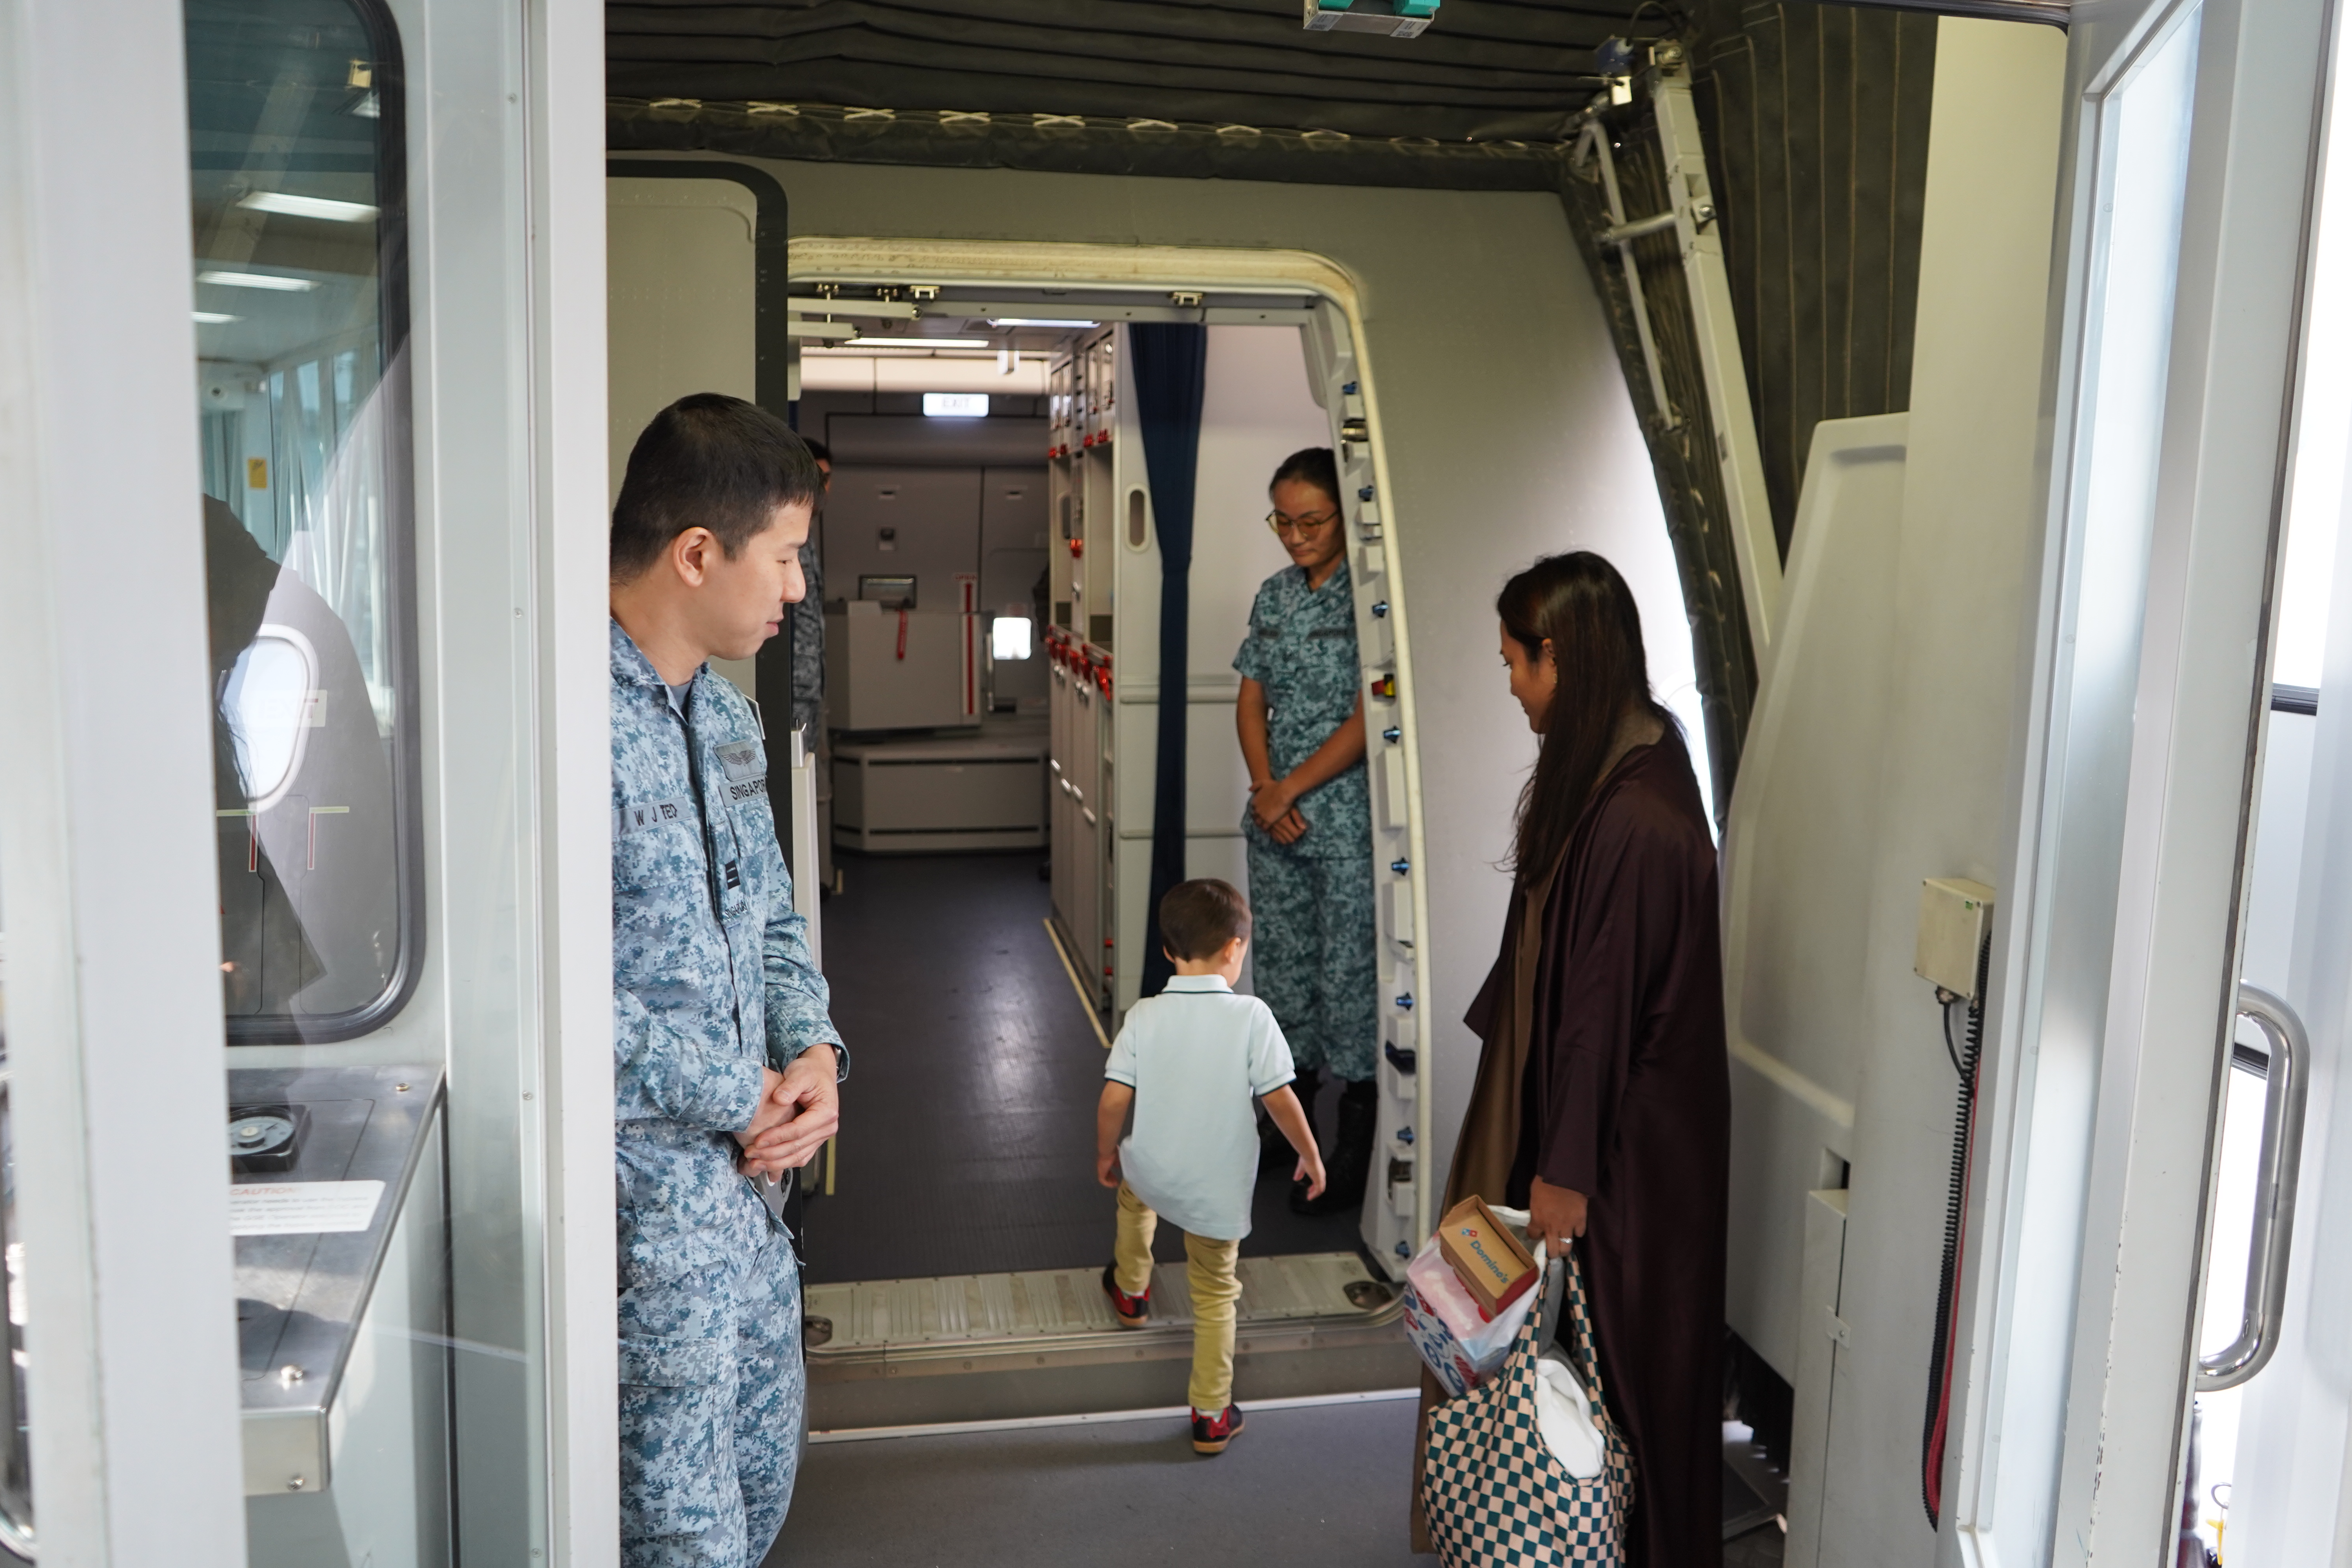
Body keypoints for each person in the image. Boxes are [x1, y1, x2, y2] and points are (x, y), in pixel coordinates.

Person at [1421, 552, 1728, 1566]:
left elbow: (1599, 1011)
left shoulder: (1634, 815)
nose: (1509, 684)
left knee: (1616, 1386)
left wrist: (1562, 1173)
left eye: (1514, 662)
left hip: (1622, 1167)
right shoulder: (1630, 759)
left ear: (1557, 655)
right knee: (1601, 1376)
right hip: (1616, 1146)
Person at [609, 393, 849, 1567]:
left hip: (752, 1219)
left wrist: (814, 1055)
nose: (798, 588)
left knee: (752, 1515)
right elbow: (545, 998)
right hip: (642, 1239)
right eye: (788, 557)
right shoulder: (562, 726)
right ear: (698, 553)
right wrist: (734, 1091)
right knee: (675, 1543)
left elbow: (769, 913)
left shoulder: (724, 719)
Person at [1096, 878, 1327, 1454]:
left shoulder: (1144, 1015)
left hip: (1150, 1168)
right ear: (1234, 948)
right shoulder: (1252, 1016)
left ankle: (1131, 1292)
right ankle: (1210, 1413)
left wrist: (1107, 1152)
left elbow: (1113, 1101)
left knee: (1133, 1201)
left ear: (1169, 952)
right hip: (1215, 1191)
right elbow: (1280, 1100)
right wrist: (1310, 1154)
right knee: (1215, 1293)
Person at [1232, 447, 1378, 1216]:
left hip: (1344, 821)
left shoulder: (1374, 600)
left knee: (1348, 982)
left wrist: (1290, 784)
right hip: (1275, 821)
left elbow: (1370, 717)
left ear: (1344, 516)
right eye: (1283, 521)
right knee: (1285, 978)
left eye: (1310, 521)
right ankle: (1287, 1132)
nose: (1294, 535)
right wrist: (1265, 789)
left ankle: (1350, 1147)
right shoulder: (1275, 595)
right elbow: (1250, 699)